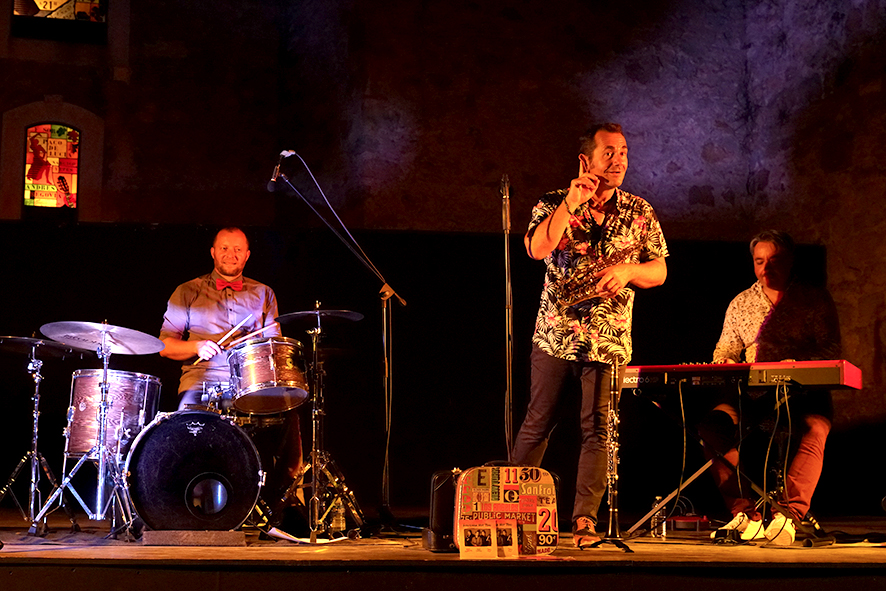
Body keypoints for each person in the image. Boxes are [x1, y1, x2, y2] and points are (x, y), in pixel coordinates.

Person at [510, 123, 669, 548]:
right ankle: (514, 512)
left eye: (623, 152)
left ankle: (584, 520)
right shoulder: (552, 203)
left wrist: (629, 271)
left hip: (608, 339)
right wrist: (571, 203)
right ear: (586, 160)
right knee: (538, 422)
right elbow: (537, 249)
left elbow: (659, 270)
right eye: (609, 152)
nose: (618, 160)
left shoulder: (640, 210)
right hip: (556, 334)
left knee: (598, 429)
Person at [703, 230, 840, 545]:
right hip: (752, 397)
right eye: (759, 261)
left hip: (803, 395)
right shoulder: (741, 302)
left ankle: (787, 515)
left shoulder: (814, 299)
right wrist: (725, 361)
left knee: (815, 427)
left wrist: (794, 364)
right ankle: (744, 513)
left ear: (790, 261)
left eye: (774, 260)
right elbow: (725, 348)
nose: (766, 268)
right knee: (712, 426)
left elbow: (831, 350)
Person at [159, 227, 303, 506]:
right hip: (202, 380)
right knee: (187, 424)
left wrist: (257, 349)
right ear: (213, 252)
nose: (231, 254)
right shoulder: (187, 290)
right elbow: (164, 346)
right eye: (224, 248)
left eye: (237, 249)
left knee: (289, 411)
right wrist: (196, 347)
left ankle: (282, 502)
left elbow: (273, 347)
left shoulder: (264, 293)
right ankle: (190, 500)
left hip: (249, 381)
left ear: (247, 255)